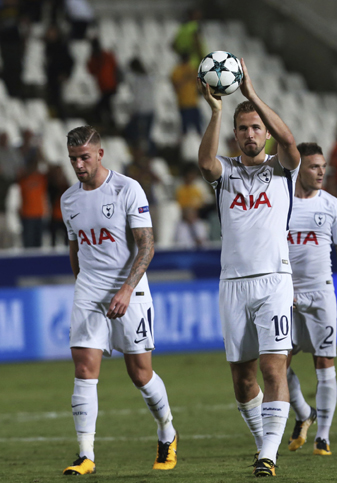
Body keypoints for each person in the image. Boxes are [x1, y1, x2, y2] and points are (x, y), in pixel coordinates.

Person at [197, 58, 300, 477]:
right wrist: (219, 110)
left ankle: (268, 456)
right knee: (243, 381)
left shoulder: (282, 169)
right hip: (233, 284)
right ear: (236, 135)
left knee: (274, 367)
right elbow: (205, 163)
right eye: (244, 128)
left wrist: (251, 94)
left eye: (256, 127)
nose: (250, 134)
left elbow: (291, 142)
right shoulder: (225, 173)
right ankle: (265, 444)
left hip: (275, 280)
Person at [60, 126, 178, 475]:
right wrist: (82, 284)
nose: (79, 165)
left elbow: (147, 244)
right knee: (84, 369)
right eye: (73, 159)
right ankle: (85, 455)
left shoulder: (127, 188)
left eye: (84, 157)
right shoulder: (68, 199)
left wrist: (126, 289)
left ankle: (167, 431)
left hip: (130, 288)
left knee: (140, 374)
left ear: (100, 153)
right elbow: (74, 247)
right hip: (89, 289)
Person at [285, 142, 337, 457]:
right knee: (275, 362)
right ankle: (303, 412)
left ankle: (322, 437)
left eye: (323, 166)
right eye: (314, 166)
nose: (321, 172)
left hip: (321, 292)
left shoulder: (333, 206)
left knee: (324, 364)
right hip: (284, 292)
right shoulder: (279, 202)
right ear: (298, 168)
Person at [87, 38, 119, 129]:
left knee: (102, 107)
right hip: (105, 86)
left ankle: (105, 123)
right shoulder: (100, 57)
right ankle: (110, 124)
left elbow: (115, 68)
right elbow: (91, 70)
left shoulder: (106, 56)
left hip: (109, 86)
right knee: (107, 106)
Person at [171, 52, 204, 136]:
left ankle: (201, 145)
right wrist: (185, 79)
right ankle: (185, 146)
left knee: (198, 128)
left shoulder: (192, 69)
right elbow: (175, 85)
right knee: (185, 129)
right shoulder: (177, 71)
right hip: (184, 103)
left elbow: (199, 82)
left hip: (193, 102)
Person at [18, 157, 47, 248]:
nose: (33, 168)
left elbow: (51, 170)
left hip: (39, 214)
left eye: (35, 166)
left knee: (38, 243)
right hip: (27, 215)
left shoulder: (41, 178)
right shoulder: (23, 179)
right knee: (28, 243)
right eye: (31, 166)